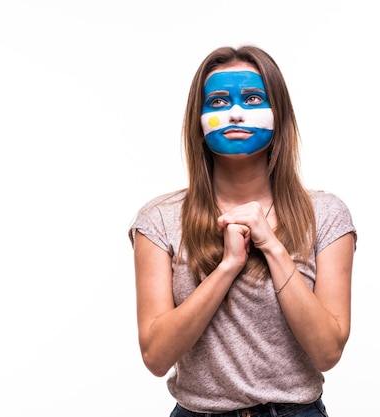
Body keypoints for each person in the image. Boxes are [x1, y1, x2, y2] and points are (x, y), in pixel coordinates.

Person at [128, 45, 357, 417]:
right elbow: (156, 357)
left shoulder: (326, 214)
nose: (235, 112)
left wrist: (272, 246)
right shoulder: (159, 219)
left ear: (278, 116)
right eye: (218, 102)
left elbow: (327, 352)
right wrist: (228, 265)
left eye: (252, 98)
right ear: (198, 122)